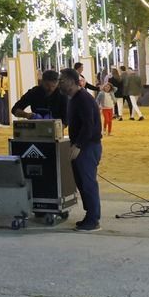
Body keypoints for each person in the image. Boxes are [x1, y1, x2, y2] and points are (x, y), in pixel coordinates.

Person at [59, 68, 102, 232]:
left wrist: (79, 145)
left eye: (62, 80)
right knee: (82, 183)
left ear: (72, 81)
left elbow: (88, 125)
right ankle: (89, 215)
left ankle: (93, 219)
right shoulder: (73, 99)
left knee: (88, 183)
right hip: (81, 146)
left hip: (88, 147)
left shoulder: (83, 98)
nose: (60, 83)